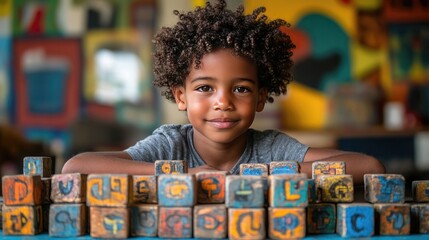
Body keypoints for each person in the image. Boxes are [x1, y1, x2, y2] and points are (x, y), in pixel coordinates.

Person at [62, 0, 385, 184]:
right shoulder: (171, 144)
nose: (223, 102)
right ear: (180, 96)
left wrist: (265, 172)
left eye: (241, 89)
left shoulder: (271, 148)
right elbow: (76, 166)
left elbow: (368, 166)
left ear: (260, 98)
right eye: (205, 88)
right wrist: (184, 173)